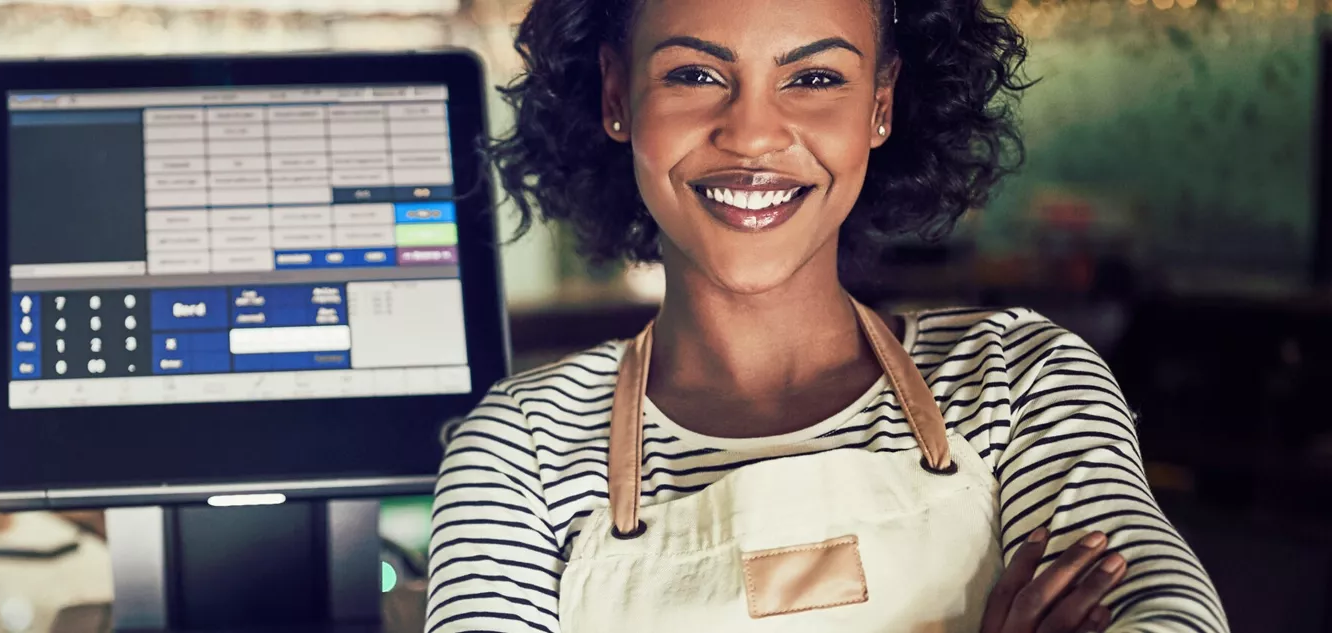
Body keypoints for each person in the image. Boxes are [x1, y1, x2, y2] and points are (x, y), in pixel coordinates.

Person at [426, 0, 1227, 631]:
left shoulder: (1020, 382)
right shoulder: (519, 454)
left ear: (881, 103)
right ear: (616, 95)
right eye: (695, 74)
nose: (752, 135)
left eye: (813, 79)